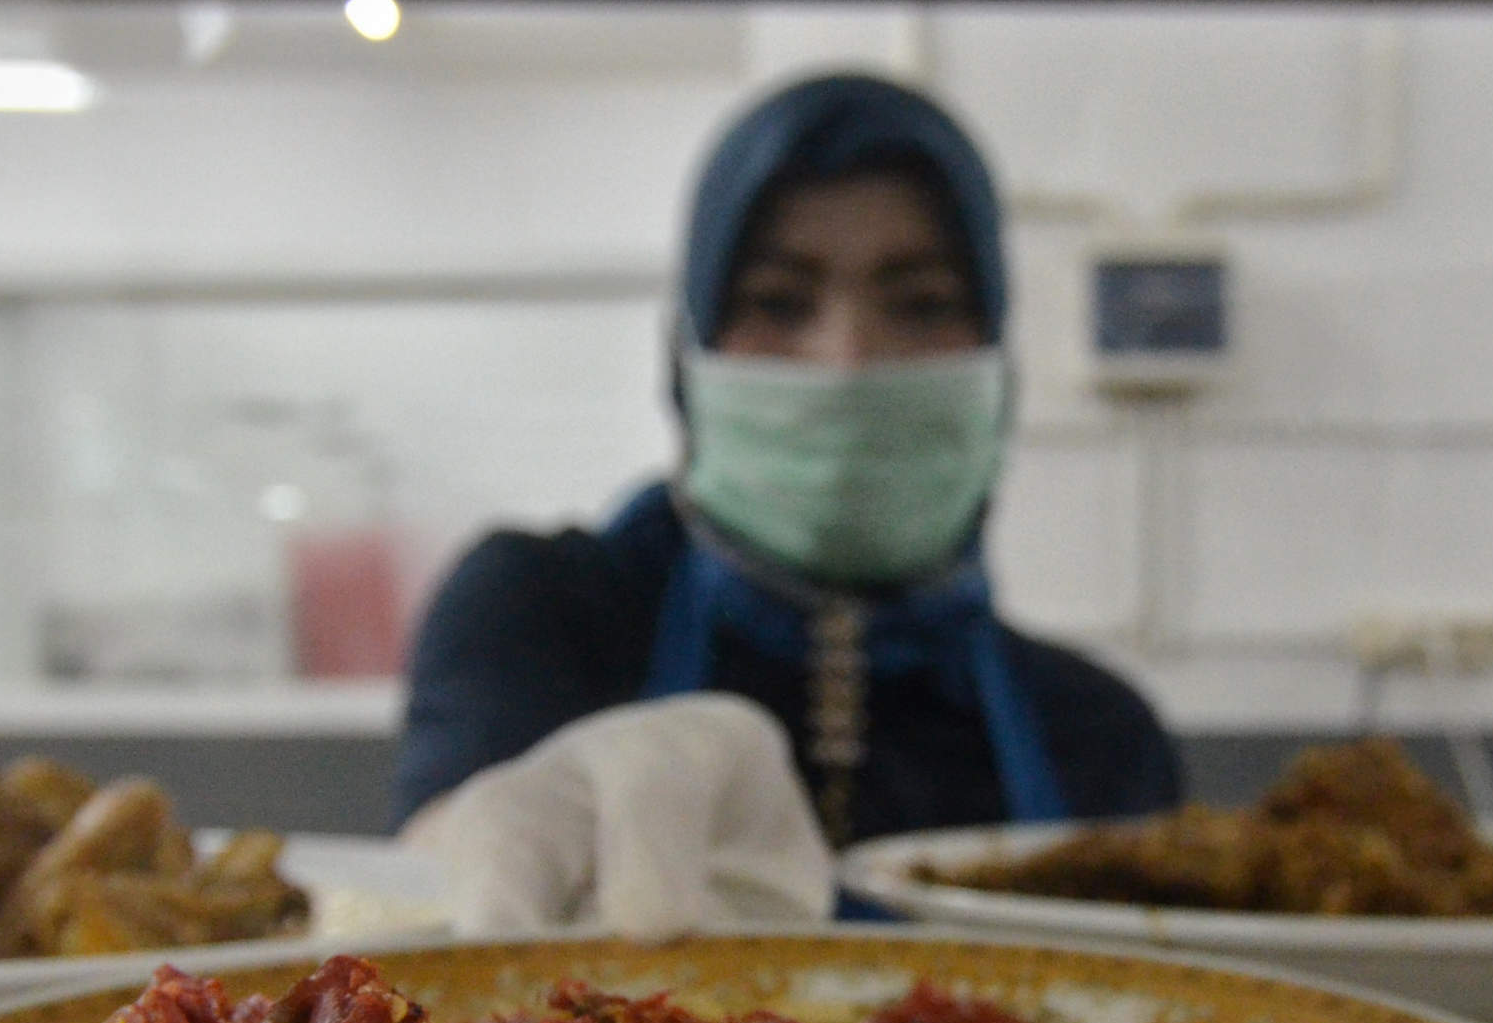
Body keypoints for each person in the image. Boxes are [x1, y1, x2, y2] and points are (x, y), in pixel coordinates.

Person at [393, 72, 1178, 922]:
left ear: (997, 361)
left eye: (922, 304)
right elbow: (430, 865)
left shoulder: (1100, 734)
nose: (847, 360)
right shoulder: (542, 608)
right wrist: (503, 835)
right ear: (686, 349)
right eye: (778, 301)